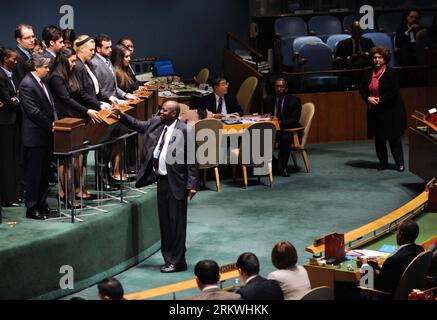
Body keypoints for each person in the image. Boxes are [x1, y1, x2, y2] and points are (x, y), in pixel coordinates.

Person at [111, 100, 199, 273]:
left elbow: (192, 160)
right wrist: (120, 115)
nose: (161, 112)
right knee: (165, 223)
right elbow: (137, 124)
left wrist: (192, 185)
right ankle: (169, 258)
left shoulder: (185, 130)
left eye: (165, 110)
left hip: (177, 182)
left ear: (174, 113)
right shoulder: (156, 123)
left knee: (177, 224)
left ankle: (178, 261)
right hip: (161, 181)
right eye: (161, 109)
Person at [49, 46, 102, 207]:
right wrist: (87, 110)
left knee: (75, 160)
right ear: (64, 61)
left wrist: (99, 104)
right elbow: (66, 100)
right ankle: (65, 195)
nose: (74, 64)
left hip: (75, 120)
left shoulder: (70, 74)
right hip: (64, 122)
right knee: (66, 161)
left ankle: (72, 193)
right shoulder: (56, 78)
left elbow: (80, 94)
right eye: (72, 61)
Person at [18, 53, 57, 220]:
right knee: (34, 175)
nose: (48, 70)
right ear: (36, 67)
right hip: (34, 137)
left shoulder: (42, 82)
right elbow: (33, 112)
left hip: (46, 135)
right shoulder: (26, 84)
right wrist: (51, 125)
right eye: (46, 67)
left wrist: (55, 123)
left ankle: (42, 204)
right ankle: (32, 208)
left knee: (44, 174)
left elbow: (50, 105)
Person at [359, 46, 407, 172]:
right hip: (375, 110)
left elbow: (394, 91)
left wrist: (380, 100)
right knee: (379, 138)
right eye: (375, 57)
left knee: (394, 138)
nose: (377, 60)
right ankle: (383, 163)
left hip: (391, 110)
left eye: (380, 57)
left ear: (385, 59)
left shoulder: (391, 72)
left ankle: (400, 163)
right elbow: (362, 89)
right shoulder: (367, 72)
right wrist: (368, 98)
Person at [360, 220, 424, 297]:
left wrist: (365, 266)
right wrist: (378, 268)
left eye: (397, 232)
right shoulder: (420, 250)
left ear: (400, 234)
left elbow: (379, 287)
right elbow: (396, 272)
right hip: (409, 293)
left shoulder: (393, 260)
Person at [262, 78, 301, 177]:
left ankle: (283, 167)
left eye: (281, 86)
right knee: (256, 135)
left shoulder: (294, 101)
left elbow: (294, 120)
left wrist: (279, 122)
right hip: (271, 129)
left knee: (285, 139)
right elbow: (265, 115)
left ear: (286, 88)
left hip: (287, 129)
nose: (279, 89)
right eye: (277, 86)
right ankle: (274, 163)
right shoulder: (268, 100)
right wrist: (266, 116)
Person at [0, 47, 21, 207]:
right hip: (5, 124)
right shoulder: (1, 76)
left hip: (13, 122)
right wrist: (16, 99)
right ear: (6, 59)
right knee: (7, 161)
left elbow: (11, 99)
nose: (16, 61)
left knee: (14, 160)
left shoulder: (12, 76)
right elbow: (8, 102)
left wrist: (14, 99)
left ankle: (14, 195)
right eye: (13, 59)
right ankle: (8, 197)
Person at [90, 34, 136, 103]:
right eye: (107, 47)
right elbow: (98, 90)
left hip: (115, 103)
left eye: (110, 47)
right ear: (98, 49)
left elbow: (114, 87)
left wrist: (125, 94)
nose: (111, 50)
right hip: (105, 105)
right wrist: (111, 99)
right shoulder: (94, 64)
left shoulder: (108, 60)